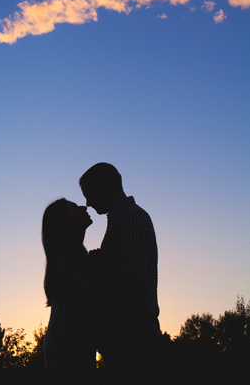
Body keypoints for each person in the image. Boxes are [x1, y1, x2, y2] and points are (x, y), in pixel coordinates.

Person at [80, 162, 160, 383]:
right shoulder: (122, 218)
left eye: (89, 193)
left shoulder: (129, 217)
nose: (88, 202)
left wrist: (104, 320)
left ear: (105, 185)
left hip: (131, 332)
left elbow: (131, 275)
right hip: (129, 330)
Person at [42, 198, 96, 383]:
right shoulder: (67, 254)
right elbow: (88, 294)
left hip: (69, 347)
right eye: (74, 207)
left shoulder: (72, 254)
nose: (83, 207)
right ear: (67, 221)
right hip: (68, 348)